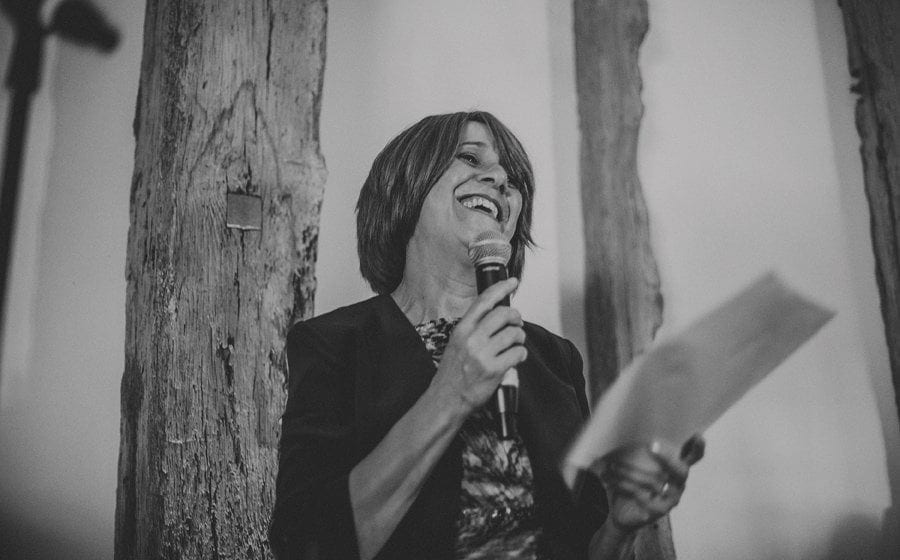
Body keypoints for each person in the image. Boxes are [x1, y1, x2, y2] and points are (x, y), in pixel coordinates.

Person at [269, 111, 703, 560]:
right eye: (470, 159)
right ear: (407, 187)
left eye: (512, 180)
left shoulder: (554, 358)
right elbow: (307, 544)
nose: (499, 179)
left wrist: (618, 526)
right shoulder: (333, 343)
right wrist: (451, 394)